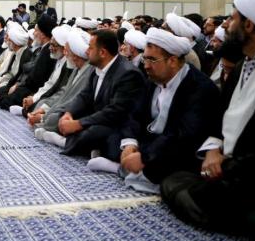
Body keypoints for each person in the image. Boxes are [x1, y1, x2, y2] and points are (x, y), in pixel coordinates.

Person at [161, 0, 255, 239]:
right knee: (173, 178)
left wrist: (226, 165)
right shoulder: (241, 66)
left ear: (248, 25)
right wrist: (213, 148)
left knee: (180, 189)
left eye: (232, 19)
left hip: (246, 172)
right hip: (225, 165)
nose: (226, 25)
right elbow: (221, 115)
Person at [86, 27, 220, 194]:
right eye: (145, 59)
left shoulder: (199, 88)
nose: (146, 66)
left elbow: (183, 134)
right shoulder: (154, 79)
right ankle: (130, 166)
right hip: (151, 140)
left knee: (167, 163)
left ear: (172, 61)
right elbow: (135, 113)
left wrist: (144, 157)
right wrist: (130, 144)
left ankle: (123, 169)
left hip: (175, 145)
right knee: (113, 137)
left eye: (152, 60)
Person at [41, 30, 146, 162]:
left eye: (90, 48)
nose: (86, 51)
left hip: (117, 124)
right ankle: (82, 144)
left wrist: (79, 124)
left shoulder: (127, 73)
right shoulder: (97, 67)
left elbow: (115, 111)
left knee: (94, 132)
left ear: (102, 53)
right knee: (64, 118)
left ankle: (66, 142)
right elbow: (84, 96)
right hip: (97, 118)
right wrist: (69, 113)